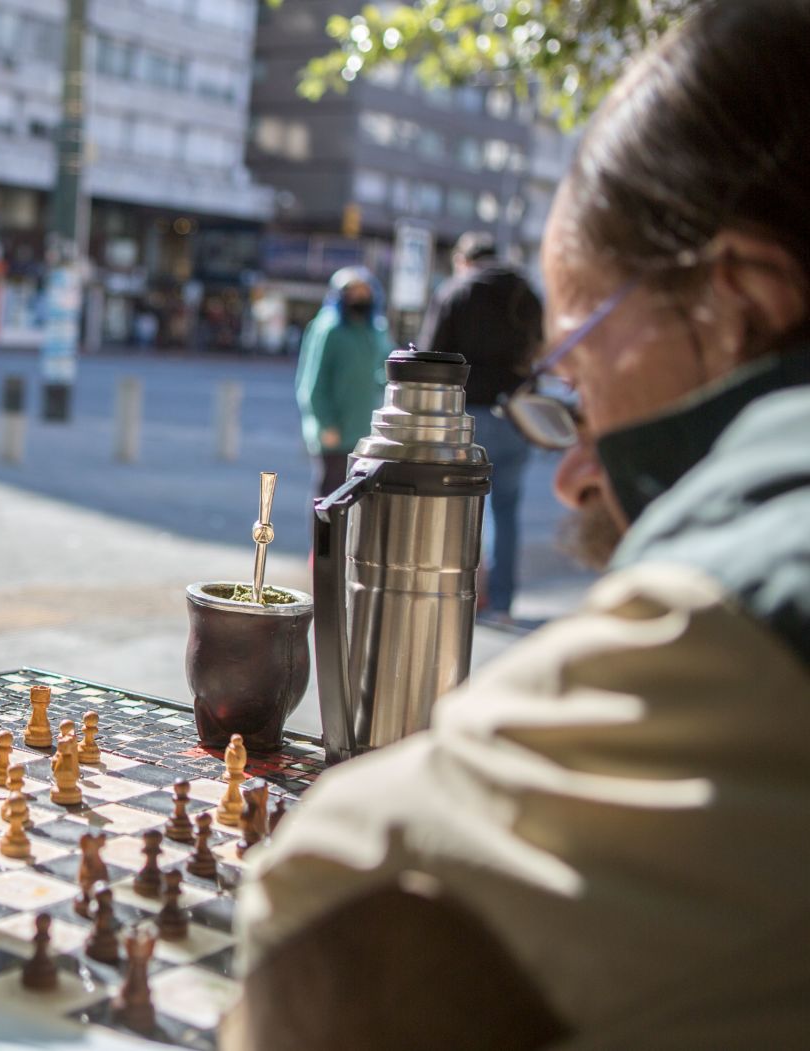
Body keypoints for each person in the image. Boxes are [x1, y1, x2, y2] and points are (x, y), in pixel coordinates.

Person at [233, 1, 810, 1047]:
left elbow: (323, 915)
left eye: (578, 378)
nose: (572, 470)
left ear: (741, 303)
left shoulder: (745, 606)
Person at [418, 231, 544, 621]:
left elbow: (429, 356)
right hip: (518, 415)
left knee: (459, 510)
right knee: (506, 512)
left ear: (463, 260)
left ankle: (460, 597)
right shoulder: (527, 293)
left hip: (466, 417)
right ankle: (502, 603)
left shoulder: (457, 291)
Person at [294, 267, 393, 505]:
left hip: (366, 432)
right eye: (353, 292)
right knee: (329, 495)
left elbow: (385, 370)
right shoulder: (327, 329)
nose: (360, 297)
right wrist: (325, 423)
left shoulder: (376, 330)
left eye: (364, 291)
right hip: (334, 434)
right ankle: (321, 543)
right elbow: (311, 382)